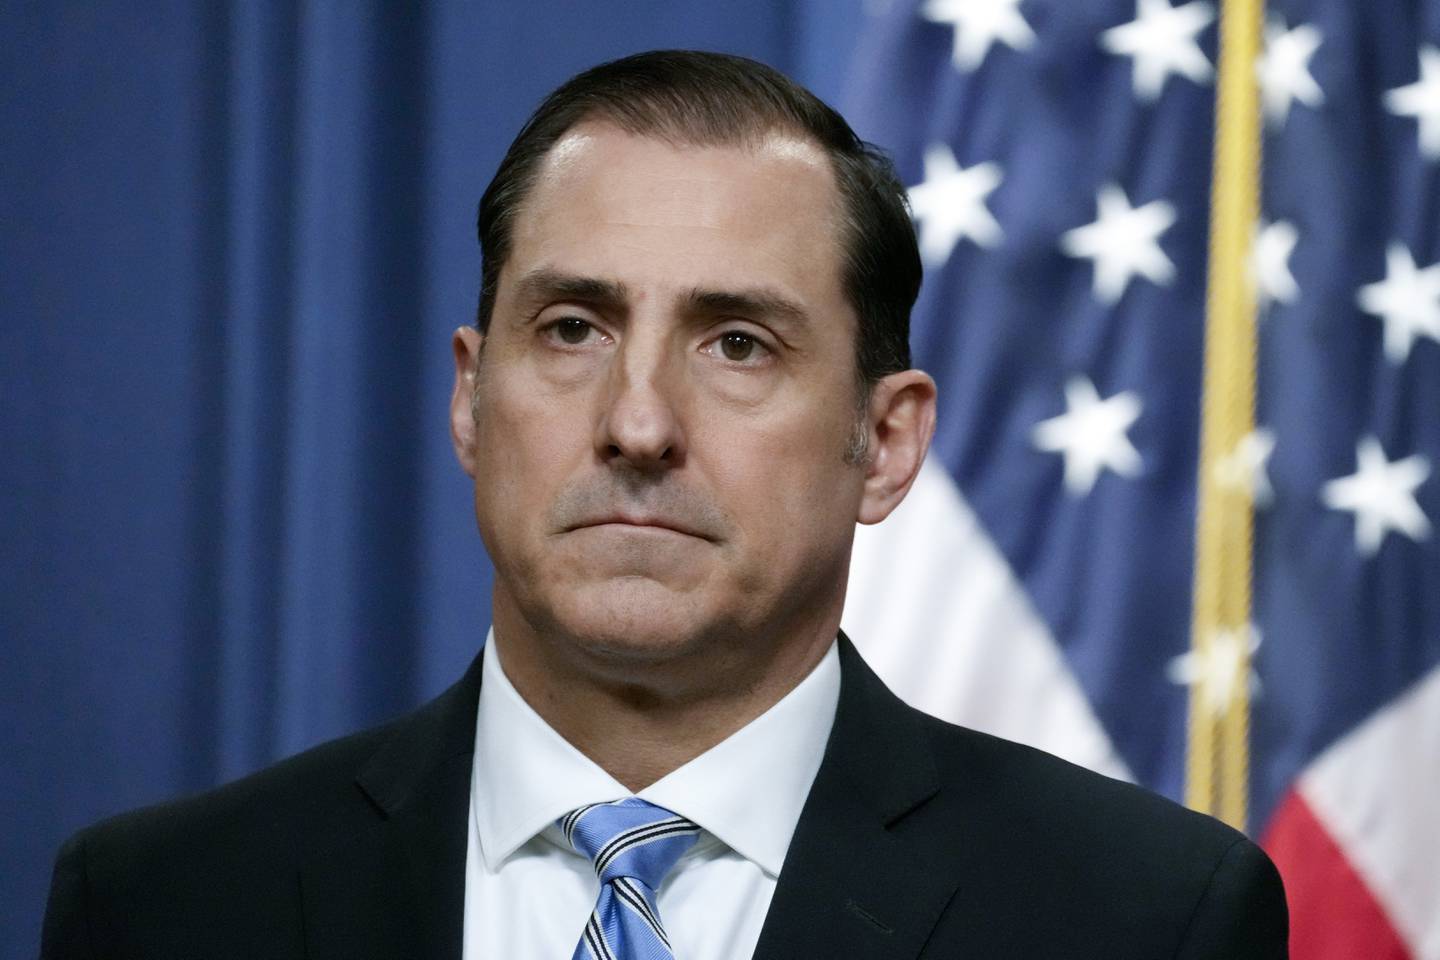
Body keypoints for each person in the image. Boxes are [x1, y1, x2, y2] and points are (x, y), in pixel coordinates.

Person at [40, 50, 1287, 960]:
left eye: (738, 343)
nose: (638, 425)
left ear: (888, 441)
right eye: (573, 328)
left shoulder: (1141, 919)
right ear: (473, 399)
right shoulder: (163, 907)